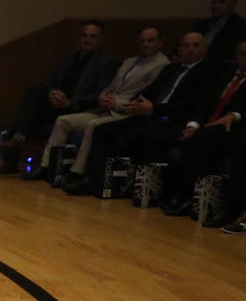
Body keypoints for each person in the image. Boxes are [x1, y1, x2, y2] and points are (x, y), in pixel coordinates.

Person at [64, 31, 212, 195]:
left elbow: (192, 106)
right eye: (186, 45)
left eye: (196, 45)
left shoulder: (208, 72)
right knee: (103, 130)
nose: (190, 49)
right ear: (179, 49)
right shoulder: (171, 69)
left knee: (136, 134)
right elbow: (149, 92)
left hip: (175, 121)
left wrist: (153, 109)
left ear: (205, 49)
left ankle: (126, 185)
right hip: (152, 116)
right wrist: (133, 104)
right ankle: (93, 180)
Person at [22, 26, 168, 187]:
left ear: (160, 43)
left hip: (126, 114)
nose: (146, 44)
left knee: (93, 125)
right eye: (142, 41)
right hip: (105, 108)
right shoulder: (130, 61)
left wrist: (117, 104)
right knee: (63, 121)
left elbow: (147, 95)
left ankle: (75, 173)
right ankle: (47, 166)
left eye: (150, 40)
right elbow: (112, 86)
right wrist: (103, 96)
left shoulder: (162, 65)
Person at [0, 21, 117, 173]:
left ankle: (13, 154)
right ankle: (17, 140)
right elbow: (48, 82)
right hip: (56, 104)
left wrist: (69, 102)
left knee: (26, 116)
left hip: (77, 109)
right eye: (84, 36)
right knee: (32, 94)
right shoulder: (69, 59)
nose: (87, 40)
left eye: (92, 36)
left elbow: (100, 94)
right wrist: (52, 93)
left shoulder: (106, 62)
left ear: (101, 39)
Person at [160, 39, 246, 220]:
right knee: (190, 136)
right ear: (236, 56)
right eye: (242, 53)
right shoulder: (225, 74)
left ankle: (226, 210)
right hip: (210, 127)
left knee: (201, 140)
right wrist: (193, 124)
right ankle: (187, 198)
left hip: (236, 129)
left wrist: (235, 115)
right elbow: (205, 104)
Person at [193, 0, 246, 66]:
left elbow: (232, 57)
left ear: (233, 4)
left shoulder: (240, 27)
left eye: (221, 2)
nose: (215, 6)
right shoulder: (201, 25)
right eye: (213, 2)